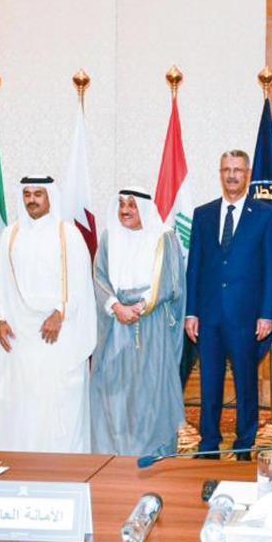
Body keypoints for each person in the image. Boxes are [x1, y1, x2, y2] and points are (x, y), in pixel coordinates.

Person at [0, 176, 96, 453]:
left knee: (56, 399)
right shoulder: (9, 234)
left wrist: (61, 312)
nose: (32, 199)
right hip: (19, 336)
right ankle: (20, 458)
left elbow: (81, 281)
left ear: (50, 197)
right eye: (27, 194)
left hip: (57, 334)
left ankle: (59, 461)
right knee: (21, 399)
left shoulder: (67, 234)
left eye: (38, 194)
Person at [185, 150, 272, 456]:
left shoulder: (265, 215)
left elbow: (270, 268)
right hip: (209, 316)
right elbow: (195, 266)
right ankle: (208, 443)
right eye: (226, 169)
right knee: (209, 385)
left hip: (246, 316)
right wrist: (191, 312)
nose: (232, 175)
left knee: (246, 384)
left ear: (248, 173)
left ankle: (244, 444)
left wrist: (267, 313)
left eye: (237, 170)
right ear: (220, 173)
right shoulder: (203, 214)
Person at [91, 186, 186, 456]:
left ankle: (150, 453)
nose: (125, 210)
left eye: (132, 204)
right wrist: (116, 306)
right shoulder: (109, 237)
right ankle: (115, 453)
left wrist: (141, 306)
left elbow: (171, 280)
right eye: (121, 203)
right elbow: (99, 276)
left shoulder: (164, 237)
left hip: (151, 325)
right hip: (116, 324)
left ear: (143, 208)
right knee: (113, 391)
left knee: (150, 393)